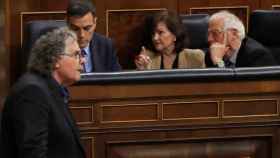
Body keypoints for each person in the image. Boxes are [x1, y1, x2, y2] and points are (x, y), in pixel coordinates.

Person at [0, 27, 86, 158]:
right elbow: (32, 153)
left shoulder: (51, 89)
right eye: (76, 55)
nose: (83, 60)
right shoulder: (32, 92)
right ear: (56, 59)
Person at [134, 11, 205, 70]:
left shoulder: (195, 57)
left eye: (160, 32)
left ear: (175, 35)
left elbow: (204, 85)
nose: (155, 38)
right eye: (153, 33)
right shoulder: (147, 57)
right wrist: (142, 70)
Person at [205, 10, 276, 68]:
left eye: (215, 33)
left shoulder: (257, 56)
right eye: (209, 34)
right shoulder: (212, 54)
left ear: (234, 34)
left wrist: (218, 62)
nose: (209, 39)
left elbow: (232, 85)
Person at [66, 1, 121, 72]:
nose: (81, 35)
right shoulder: (58, 48)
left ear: (95, 22)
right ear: (67, 24)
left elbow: (116, 78)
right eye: (75, 29)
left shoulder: (106, 45)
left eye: (87, 28)